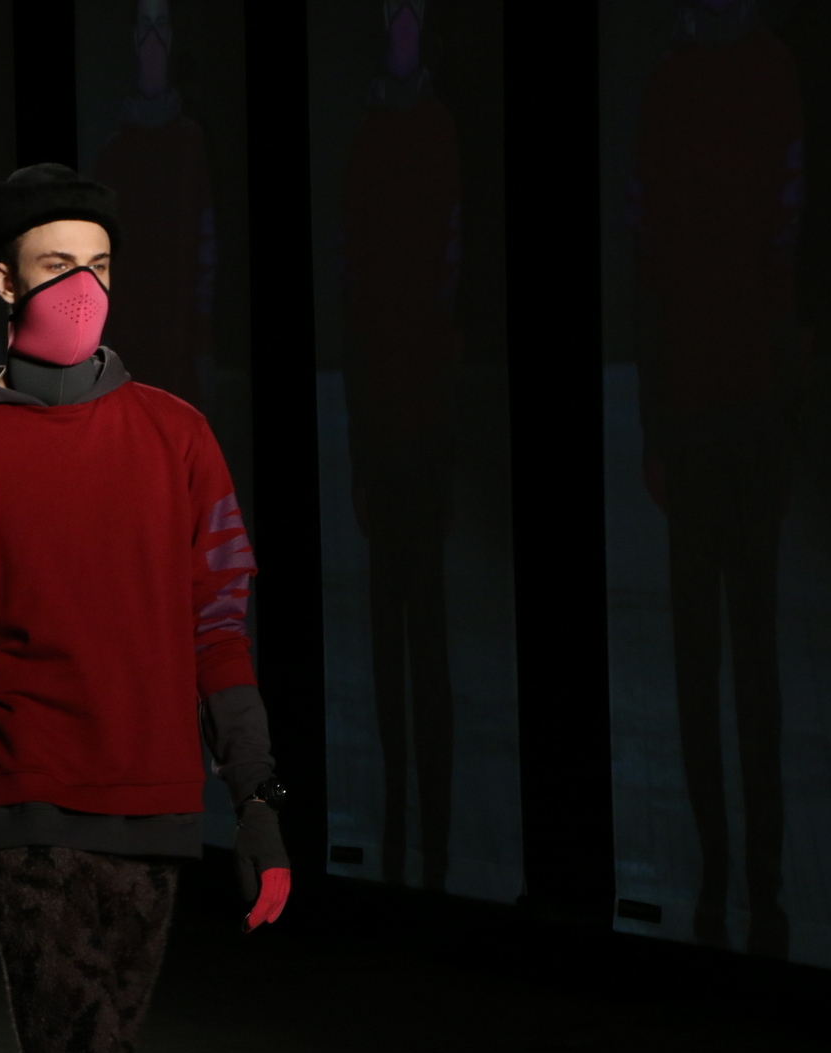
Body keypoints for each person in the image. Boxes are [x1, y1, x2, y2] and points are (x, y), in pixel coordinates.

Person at [0, 163, 290, 1053]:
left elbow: (218, 632)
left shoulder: (177, 436)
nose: (83, 288)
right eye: (56, 264)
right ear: (4, 279)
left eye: (98, 265)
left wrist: (258, 803)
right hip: (25, 805)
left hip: (157, 808)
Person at [629, 0, 804, 959]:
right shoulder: (707, 78)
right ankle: (738, 874)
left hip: (723, 414)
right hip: (716, 415)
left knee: (732, 664)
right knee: (723, 663)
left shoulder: (731, 75)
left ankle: (744, 875)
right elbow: (658, 263)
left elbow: (777, 254)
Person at [341, 0, 462, 892]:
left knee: (416, 634)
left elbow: (442, 297)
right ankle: (412, 814)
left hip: (411, 422)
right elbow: (358, 303)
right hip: (392, 424)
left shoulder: (423, 135)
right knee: (402, 633)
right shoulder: (377, 140)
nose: (404, 27)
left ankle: (423, 818)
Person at [90, 0, 214, 409]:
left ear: (172, 37)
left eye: (161, 26)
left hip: (179, 338)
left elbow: (205, 246)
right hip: (131, 338)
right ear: (133, 38)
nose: (153, 39)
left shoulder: (190, 144)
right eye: (146, 26)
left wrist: (202, 339)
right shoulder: (114, 155)